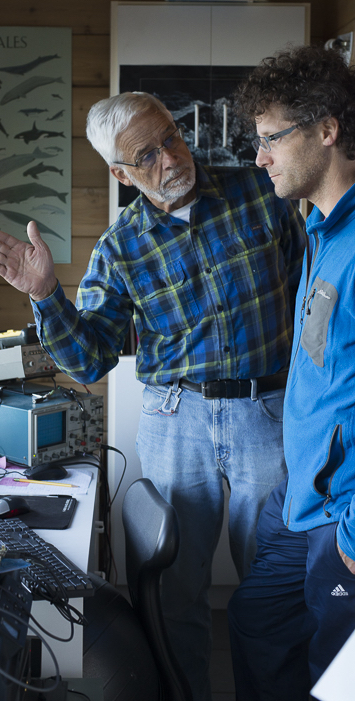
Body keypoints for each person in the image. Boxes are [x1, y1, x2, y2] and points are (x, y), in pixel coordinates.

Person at [0, 91, 305, 701]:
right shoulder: (120, 247)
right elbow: (90, 359)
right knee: (175, 589)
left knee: (273, 583)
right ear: (119, 172)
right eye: (145, 155)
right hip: (174, 418)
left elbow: (306, 279)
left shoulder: (260, 192)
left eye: (170, 138)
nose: (168, 158)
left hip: (268, 407)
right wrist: (46, 293)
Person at [227, 43, 355, 700]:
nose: (259, 157)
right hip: (298, 493)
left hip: (344, 515)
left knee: (334, 678)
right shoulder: (317, 226)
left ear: (327, 131)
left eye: (271, 137)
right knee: (256, 624)